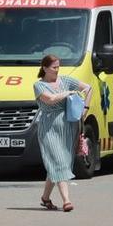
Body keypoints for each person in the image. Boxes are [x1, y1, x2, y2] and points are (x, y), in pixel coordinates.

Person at [33, 54, 91, 212]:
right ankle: (67, 200)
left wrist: (85, 108)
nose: (57, 70)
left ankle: (45, 198)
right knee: (59, 162)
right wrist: (66, 94)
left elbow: (88, 88)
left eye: (58, 67)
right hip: (49, 128)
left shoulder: (66, 80)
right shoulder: (39, 86)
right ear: (44, 68)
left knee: (59, 164)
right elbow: (50, 99)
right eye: (54, 67)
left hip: (68, 126)